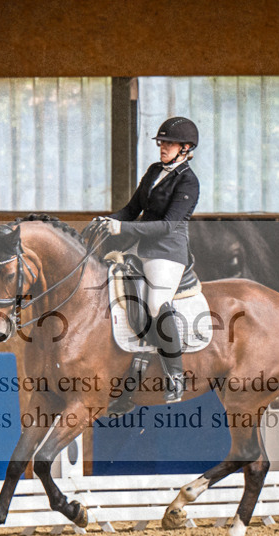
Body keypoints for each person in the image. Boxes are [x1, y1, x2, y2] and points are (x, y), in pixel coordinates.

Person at [96, 116, 200, 402]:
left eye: (169, 143)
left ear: (186, 148)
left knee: (156, 303)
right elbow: (131, 209)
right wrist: (108, 219)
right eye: (161, 142)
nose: (163, 147)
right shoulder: (155, 170)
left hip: (167, 252)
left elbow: (168, 225)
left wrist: (123, 228)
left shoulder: (189, 182)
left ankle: (176, 376)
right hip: (140, 246)